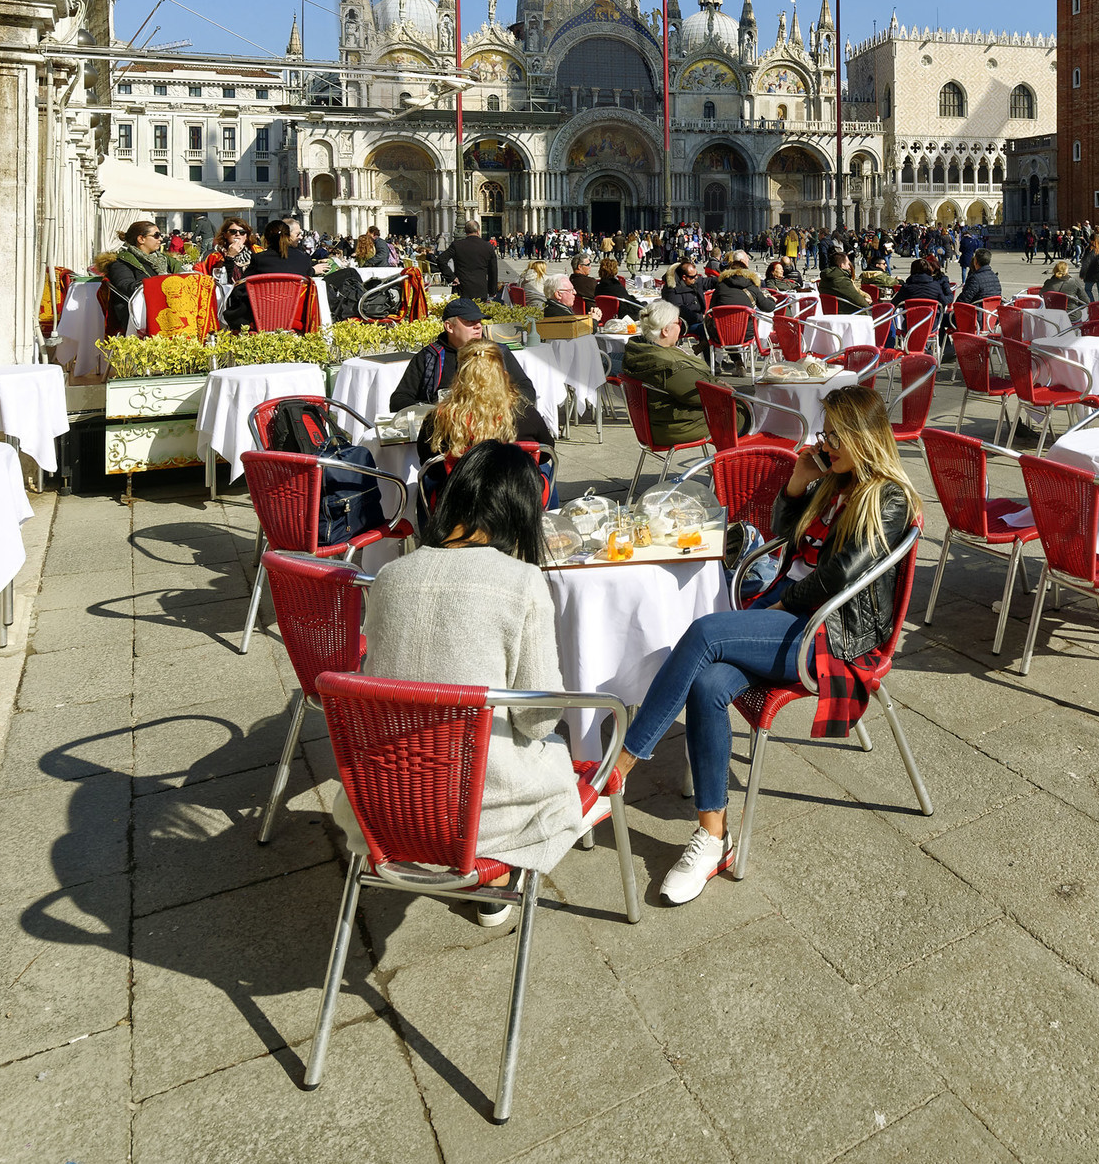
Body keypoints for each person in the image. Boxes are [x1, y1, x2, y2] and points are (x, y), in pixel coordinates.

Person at [612, 386, 921, 902]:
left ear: (864, 438)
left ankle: (624, 761)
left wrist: (778, 607)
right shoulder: (833, 480)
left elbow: (840, 576)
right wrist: (798, 486)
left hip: (825, 631)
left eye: (837, 434)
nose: (827, 442)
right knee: (708, 683)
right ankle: (713, 838)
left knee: (706, 632)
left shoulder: (887, 496)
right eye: (825, 433)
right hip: (787, 612)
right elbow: (785, 539)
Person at [347, 443, 584, 918]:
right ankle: (496, 882)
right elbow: (537, 721)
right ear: (521, 510)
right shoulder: (521, 582)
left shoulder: (389, 576)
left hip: (384, 802)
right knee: (554, 750)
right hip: (480, 812)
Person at [620, 298, 748, 446]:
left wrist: (716, 383)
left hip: (656, 422)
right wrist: (725, 390)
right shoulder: (667, 364)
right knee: (746, 414)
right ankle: (742, 465)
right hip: (676, 426)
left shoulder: (641, 350)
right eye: (678, 323)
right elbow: (704, 396)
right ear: (665, 330)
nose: (681, 328)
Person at [417, 341, 556, 467]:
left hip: (460, 493)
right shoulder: (524, 412)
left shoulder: (439, 418)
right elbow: (546, 452)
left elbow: (429, 465)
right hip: (514, 491)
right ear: (503, 374)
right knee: (544, 468)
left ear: (459, 376)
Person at [390, 297, 535, 412]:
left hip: (492, 428)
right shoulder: (430, 356)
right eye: (469, 322)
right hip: (445, 432)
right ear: (449, 327)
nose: (478, 326)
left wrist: (501, 406)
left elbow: (527, 390)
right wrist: (434, 412)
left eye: (479, 321)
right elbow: (399, 399)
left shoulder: (496, 352)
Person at [100, 219, 165, 334]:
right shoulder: (120, 262)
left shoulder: (160, 260)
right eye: (156, 235)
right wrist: (154, 284)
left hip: (160, 306)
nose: (160, 239)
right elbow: (125, 285)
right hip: (137, 313)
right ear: (141, 239)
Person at [438, 218, 500, 306]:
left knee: (462, 315)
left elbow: (441, 260)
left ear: (465, 231)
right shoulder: (488, 247)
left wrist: (451, 277)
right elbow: (493, 271)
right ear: (478, 231)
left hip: (462, 287)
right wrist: (492, 290)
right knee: (478, 315)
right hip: (480, 288)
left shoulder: (457, 245)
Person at [818, 249, 871, 314]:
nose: (849, 267)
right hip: (850, 313)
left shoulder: (824, 278)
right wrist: (868, 305)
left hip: (831, 313)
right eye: (848, 264)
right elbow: (859, 300)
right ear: (842, 265)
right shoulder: (842, 280)